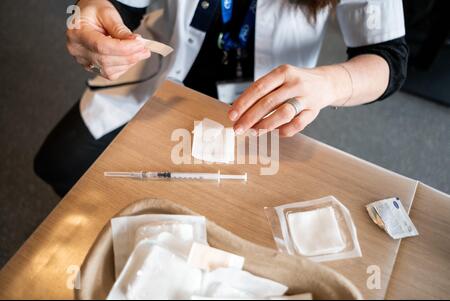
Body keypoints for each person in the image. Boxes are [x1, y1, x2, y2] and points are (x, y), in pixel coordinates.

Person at [34, 0, 408, 196]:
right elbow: (117, 5)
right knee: (58, 163)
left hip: (258, 108)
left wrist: (330, 84)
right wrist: (86, 14)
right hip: (161, 76)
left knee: (216, 208)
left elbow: (388, 58)